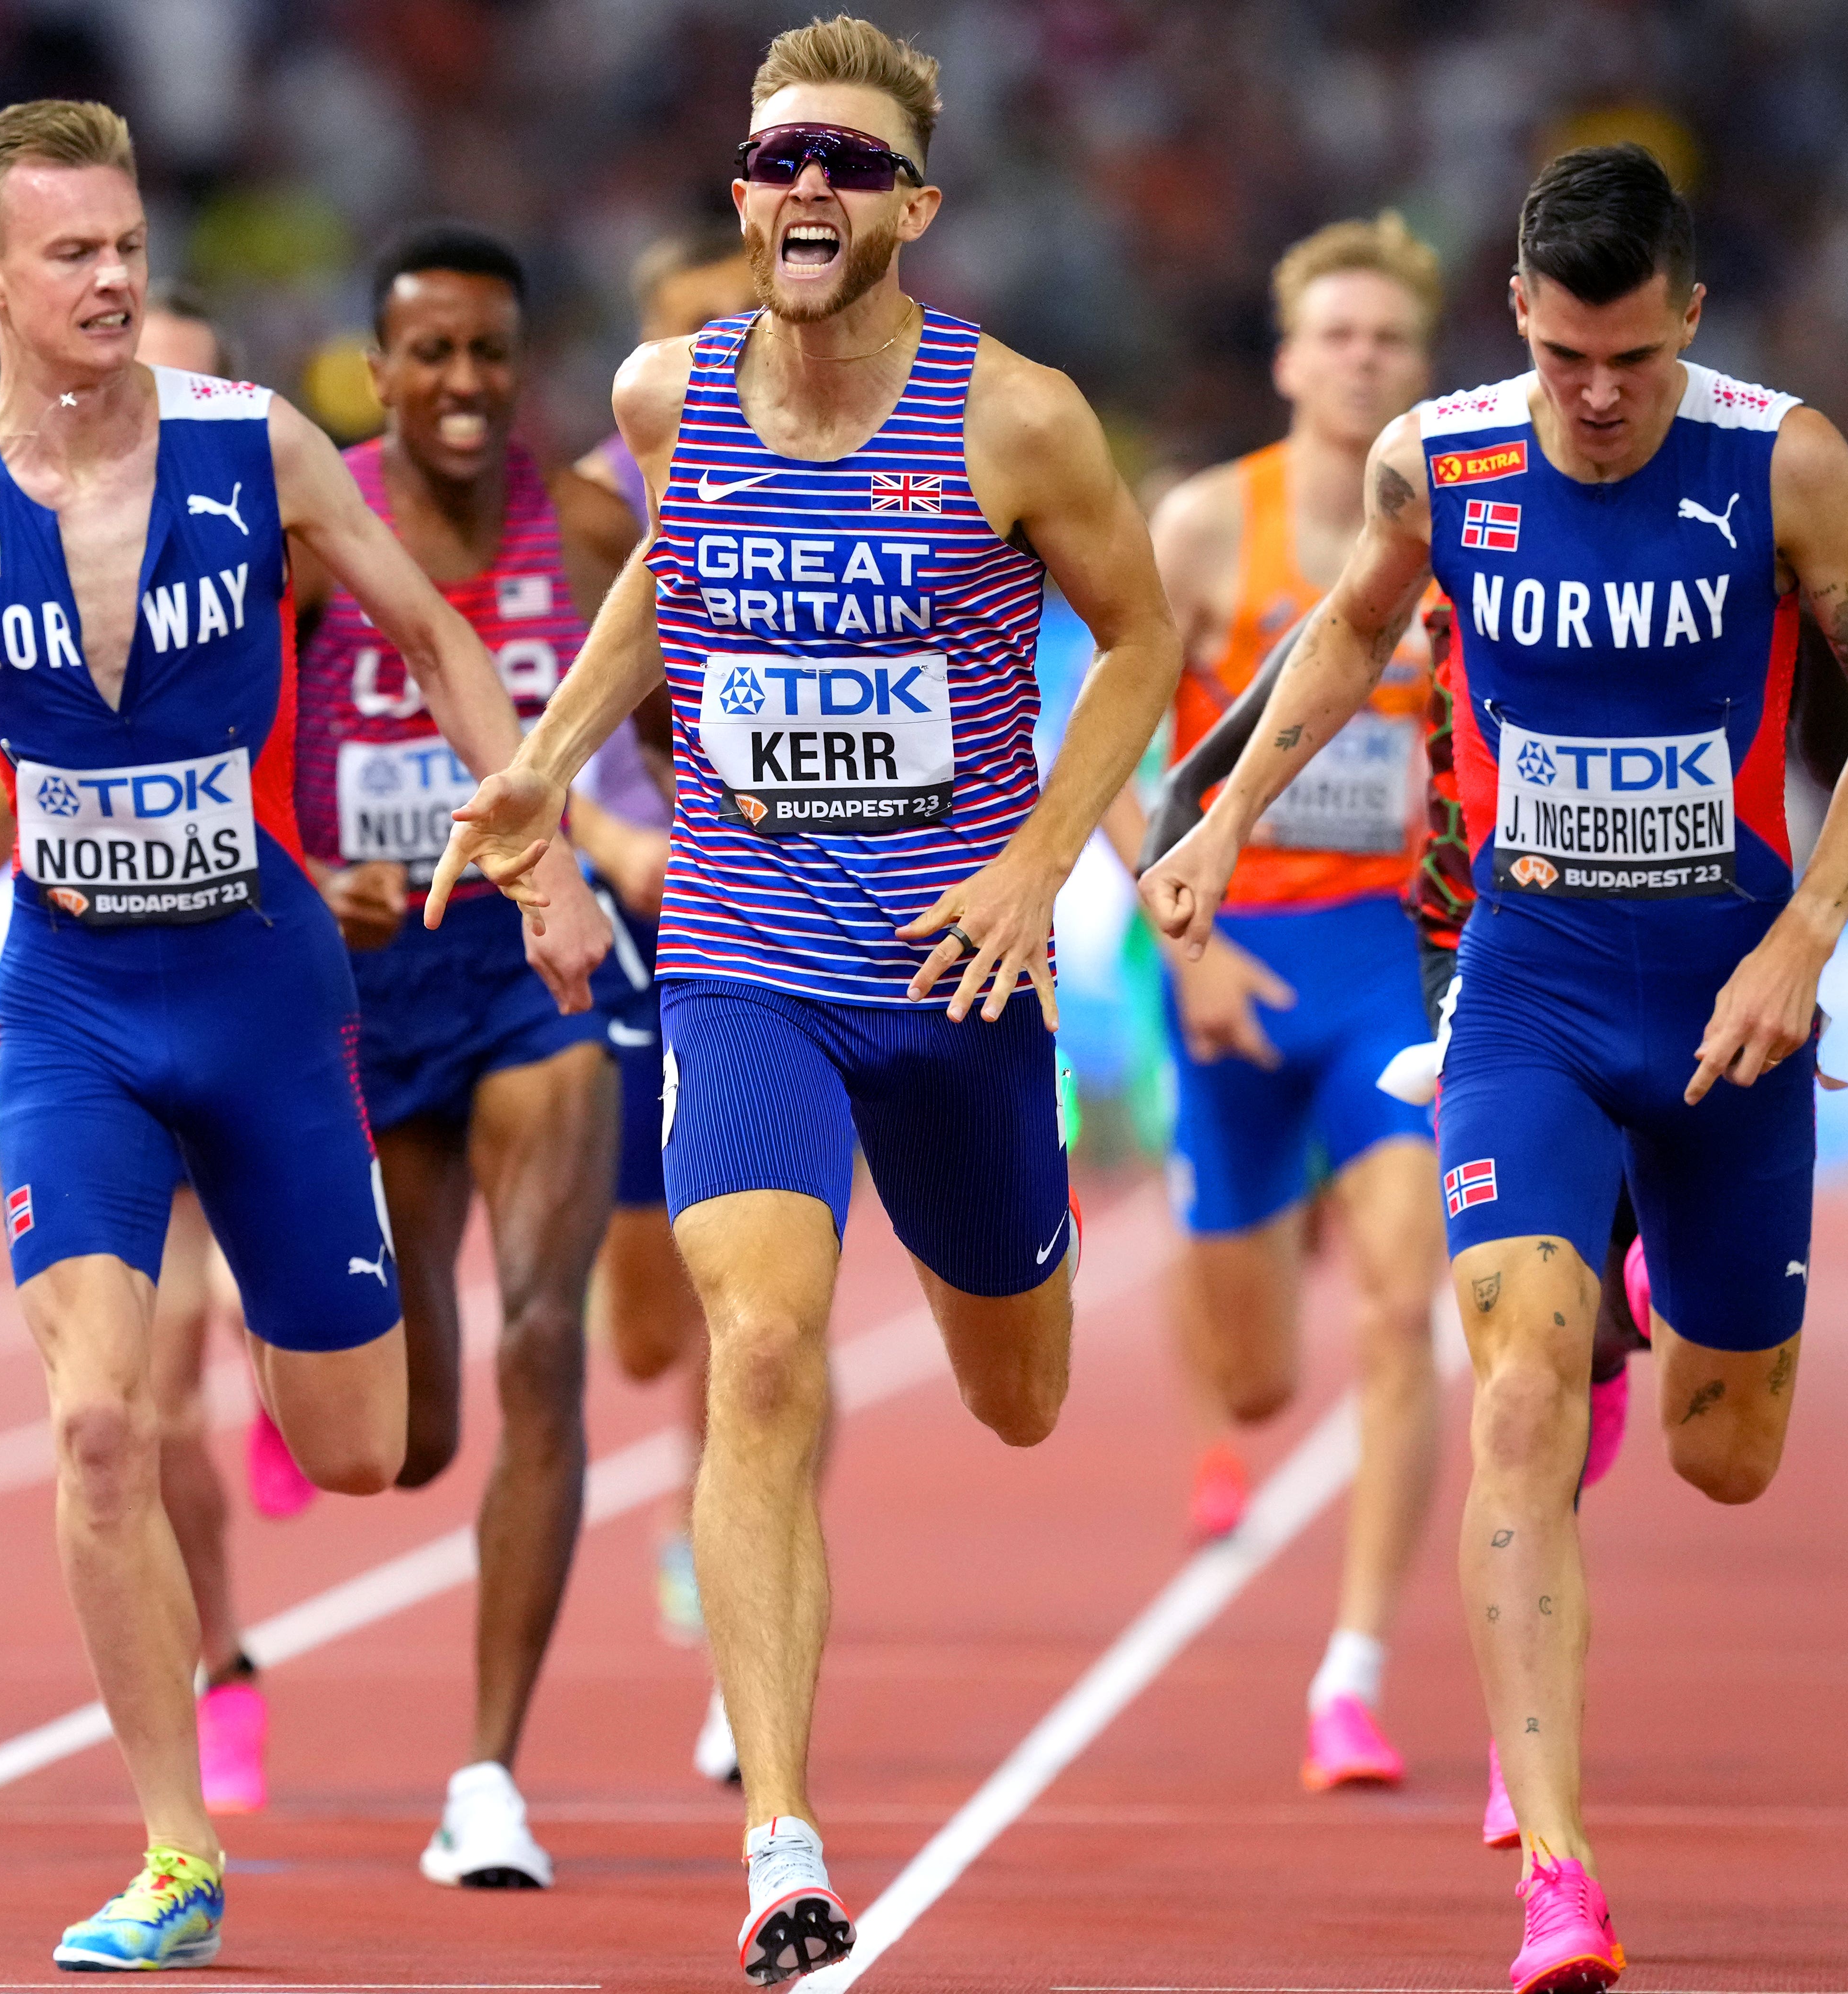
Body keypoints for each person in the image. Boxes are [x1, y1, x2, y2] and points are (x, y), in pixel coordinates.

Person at [0, 100, 602, 1970]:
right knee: (104, 1425)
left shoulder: (257, 446)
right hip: (67, 999)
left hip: (267, 982)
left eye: (128, 243)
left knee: (366, 1444)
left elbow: (444, 639)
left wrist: (527, 839)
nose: (116, 275)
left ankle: (317, 1391)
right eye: (73, 251)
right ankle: (175, 1849)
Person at [1138, 143, 1848, 1994]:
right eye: (1570, 357)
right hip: (1525, 990)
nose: (1598, 399)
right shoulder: (1446, 457)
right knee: (1503, 1373)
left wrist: (1804, 936)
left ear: (1691, 323)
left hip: (1732, 994)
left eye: (1635, 364)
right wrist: (1215, 817)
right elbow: (1348, 633)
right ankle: (1559, 1870)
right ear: (1518, 314)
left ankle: (1646, 1283)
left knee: (1726, 1455)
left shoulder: (1780, 459)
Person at [428, 17, 1181, 1981]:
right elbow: (660, 587)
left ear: (914, 206)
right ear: (741, 194)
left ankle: (1024, 1225)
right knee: (756, 1350)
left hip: (955, 968)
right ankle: (780, 1835)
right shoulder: (669, 392)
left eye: (851, 164)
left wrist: (1035, 865)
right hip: (748, 956)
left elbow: (1141, 640)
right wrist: (544, 757)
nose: (811, 191)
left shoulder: (1016, 417)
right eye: (780, 161)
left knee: (1017, 1389)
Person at [288, 221, 640, 1887]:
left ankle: (487, 1771)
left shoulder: (578, 532)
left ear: (522, 368)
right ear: (378, 369)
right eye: (427, 352)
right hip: (368, 992)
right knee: (408, 1432)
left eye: (488, 353)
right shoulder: (309, 527)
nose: (460, 382)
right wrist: (300, 879)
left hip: (529, 975)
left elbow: (669, 736)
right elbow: (223, 736)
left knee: (543, 1338)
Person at [1096, 214, 1449, 1792]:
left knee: (1397, 1304)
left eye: (1389, 337)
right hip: (1225, 966)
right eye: (1337, 335)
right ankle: (1245, 1250)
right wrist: (1187, 948)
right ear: (1287, 356)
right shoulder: (1196, 526)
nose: (1363, 358)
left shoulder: (1464, 526)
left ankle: (1353, 1669)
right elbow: (1102, 754)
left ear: (1421, 364)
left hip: (1387, 961)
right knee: (1254, 1374)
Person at [572, 223, 761, 1782]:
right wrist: (621, 839)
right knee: (641, 1320)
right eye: (691, 330)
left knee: (750, 1286)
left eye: (742, 321)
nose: (725, 349)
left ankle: (731, 1538)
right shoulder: (587, 502)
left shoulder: (828, 473)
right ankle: (685, 1473)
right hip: (633, 901)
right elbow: (520, 719)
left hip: (766, 924)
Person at [128, 278, 306, 1821]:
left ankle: (296, 1357)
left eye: (194, 398)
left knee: (310, 1355)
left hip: (284, 972)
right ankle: (225, 1656)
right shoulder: (57, 562)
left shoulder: (291, 548)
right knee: (143, 1388)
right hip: (123, 992)